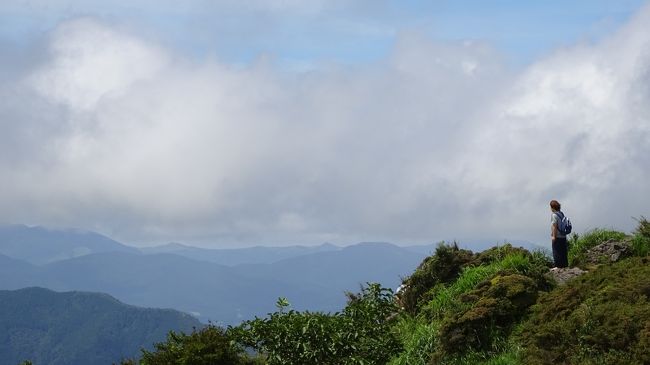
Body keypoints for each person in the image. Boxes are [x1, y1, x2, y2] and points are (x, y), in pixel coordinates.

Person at [550, 200, 568, 268]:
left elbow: (554, 226)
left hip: (557, 236)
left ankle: (557, 266)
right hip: (563, 236)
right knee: (563, 251)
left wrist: (554, 237)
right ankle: (565, 265)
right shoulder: (561, 214)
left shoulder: (554, 215)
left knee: (556, 251)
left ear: (552, 207)